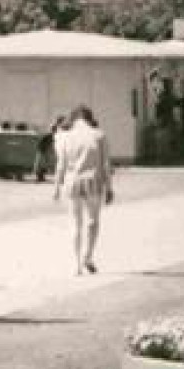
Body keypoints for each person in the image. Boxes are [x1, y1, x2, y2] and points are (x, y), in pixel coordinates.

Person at [52, 105, 112, 274]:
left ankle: (76, 264)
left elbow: (61, 165)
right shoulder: (99, 135)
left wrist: (56, 187)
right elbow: (106, 164)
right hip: (93, 182)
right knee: (92, 222)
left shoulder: (65, 137)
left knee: (75, 224)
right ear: (89, 118)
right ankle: (88, 256)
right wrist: (109, 187)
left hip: (72, 183)